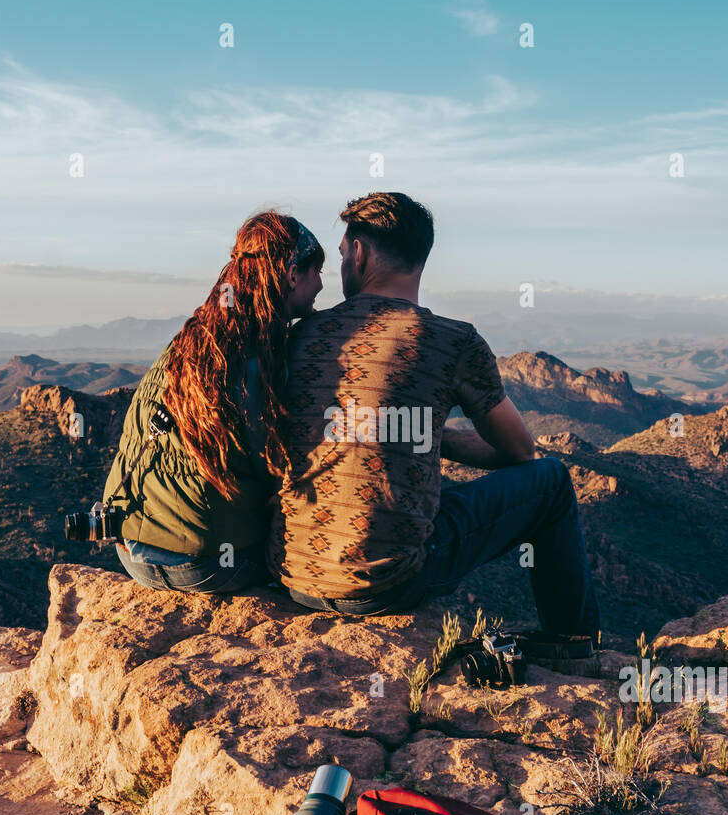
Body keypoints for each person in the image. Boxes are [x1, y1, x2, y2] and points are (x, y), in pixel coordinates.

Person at [269, 191, 600, 637]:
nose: (341, 266)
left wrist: (398, 431)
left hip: (291, 573)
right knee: (552, 480)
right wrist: (419, 431)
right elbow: (522, 452)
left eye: (345, 253)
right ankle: (573, 644)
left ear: (361, 253)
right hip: (384, 587)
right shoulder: (453, 340)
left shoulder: (300, 333)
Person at [105, 210, 324, 594]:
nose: (321, 285)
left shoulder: (191, 339)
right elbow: (269, 465)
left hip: (131, 552)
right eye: (316, 272)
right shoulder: (257, 358)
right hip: (204, 564)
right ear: (291, 274)